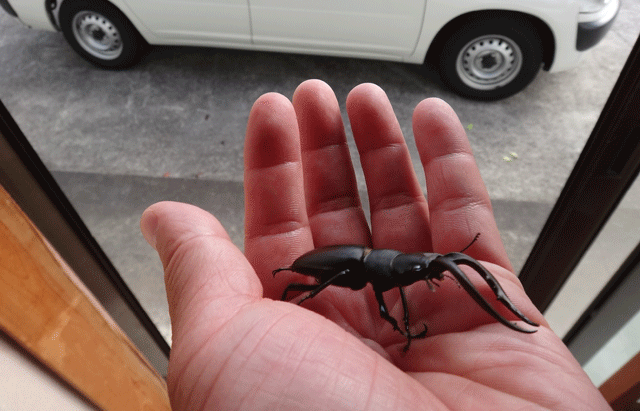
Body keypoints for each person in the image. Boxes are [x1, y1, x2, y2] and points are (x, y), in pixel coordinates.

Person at [140, 80, 611, 410]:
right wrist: (299, 283)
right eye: (423, 269)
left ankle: (299, 286)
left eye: (424, 270)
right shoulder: (377, 276)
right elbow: (388, 299)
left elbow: (397, 290)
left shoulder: (388, 273)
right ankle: (297, 286)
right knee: (320, 283)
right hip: (334, 265)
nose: (427, 273)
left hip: (359, 264)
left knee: (349, 285)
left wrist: (426, 279)